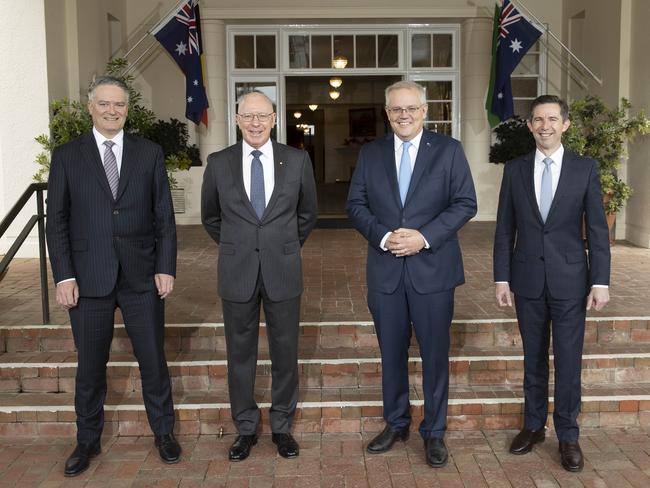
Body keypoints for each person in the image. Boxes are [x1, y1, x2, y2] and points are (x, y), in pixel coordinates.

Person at [46, 76, 181, 476]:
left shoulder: (149, 153)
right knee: (90, 366)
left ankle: (164, 433)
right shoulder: (68, 156)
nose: (111, 111)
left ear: (127, 109)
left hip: (141, 276)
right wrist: (64, 276)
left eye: (119, 105)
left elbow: (164, 217)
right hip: (88, 280)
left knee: (153, 361)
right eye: (104, 104)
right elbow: (57, 222)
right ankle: (86, 440)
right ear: (90, 107)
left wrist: (165, 266)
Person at [346, 80, 477, 467]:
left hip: (433, 271)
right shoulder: (371, 154)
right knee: (391, 354)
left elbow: (465, 202)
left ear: (424, 111)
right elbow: (355, 204)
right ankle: (396, 422)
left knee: (435, 354)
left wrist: (424, 237)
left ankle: (434, 432)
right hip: (385, 271)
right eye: (396, 110)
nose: (404, 115)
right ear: (387, 114)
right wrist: (385, 236)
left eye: (411, 108)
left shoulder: (449, 151)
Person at [493, 94, 611, 472]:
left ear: (565, 124)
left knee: (569, 361)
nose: (545, 126)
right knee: (533, 359)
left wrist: (601, 281)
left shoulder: (585, 169)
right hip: (526, 280)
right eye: (538, 119)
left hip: (571, 281)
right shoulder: (514, 169)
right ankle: (532, 427)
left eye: (552, 119)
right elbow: (503, 229)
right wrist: (502, 277)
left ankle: (568, 435)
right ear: (529, 125)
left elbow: (597, 229)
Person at [201, 91, 317, 462]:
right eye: (248, 116)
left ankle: (282, 427)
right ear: (237, 120)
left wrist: (278, 245)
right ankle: (246, 429)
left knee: (285, 352)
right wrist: (242, 245)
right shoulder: (219, 163)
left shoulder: (297, 160)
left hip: (283, 269)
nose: (255, 123)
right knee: (240, 355)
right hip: (237, 272)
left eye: (262, 116)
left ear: (273, 118)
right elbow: (210, 217)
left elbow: (307, 215)